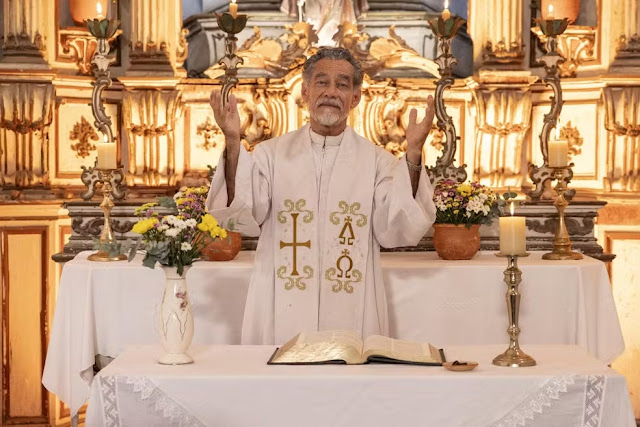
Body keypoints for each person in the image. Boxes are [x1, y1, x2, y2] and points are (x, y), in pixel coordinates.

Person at [207, 47, 436, 345]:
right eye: (321, 82)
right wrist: (233, 141)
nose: (331, 92)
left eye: (342, 84)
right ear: (305, 92)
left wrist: (414, 153)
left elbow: (399, 227)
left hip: (352, 309)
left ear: (355, 97)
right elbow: (240, 214)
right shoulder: (270, 156)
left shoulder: (377, 162)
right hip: (281, 303)